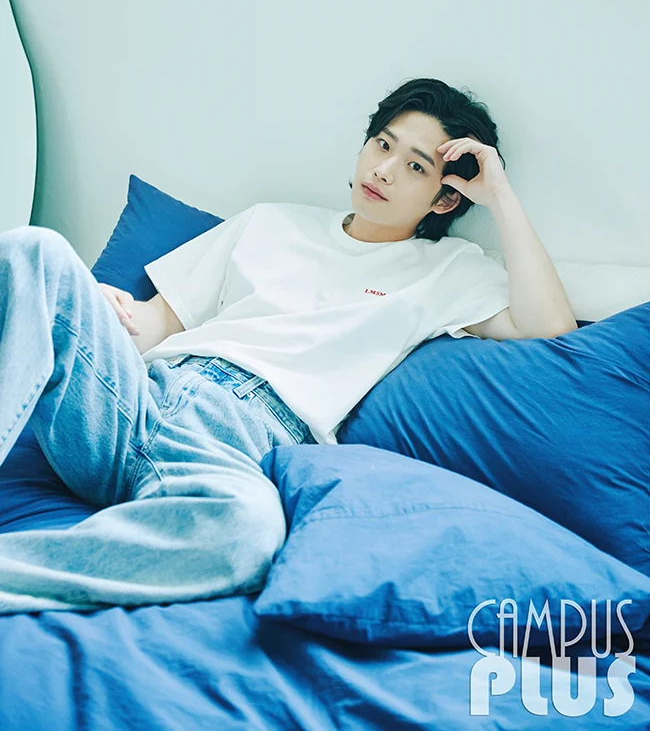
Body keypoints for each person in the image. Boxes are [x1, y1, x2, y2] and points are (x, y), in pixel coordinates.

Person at [0, 77, 577, 615]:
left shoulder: (448, 270)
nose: (384, 170)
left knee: (249, 534)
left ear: (445, 198)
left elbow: (551, 329)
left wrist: (498, 195)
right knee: (36, 252)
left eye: (415, 166)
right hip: (133, 400)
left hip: (232, 441)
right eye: (382, 145)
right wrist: (108, 310)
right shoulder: (270, 221)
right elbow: (158, 322)